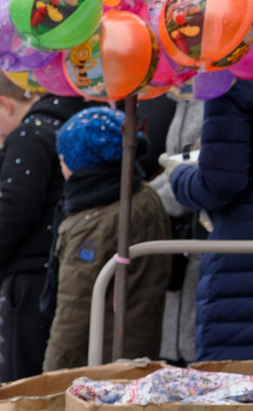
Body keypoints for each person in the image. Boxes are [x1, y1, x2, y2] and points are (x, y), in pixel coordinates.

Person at [44, 106, 173, 369]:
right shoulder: (142, 195)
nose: (60, 162)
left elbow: (75, 308)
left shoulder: (95, 222)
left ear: (83, 164)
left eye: (64, 156)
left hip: (98, 358)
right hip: (138, 344)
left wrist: (52, 370)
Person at [0, 73, 87, 380]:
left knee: (23, 373)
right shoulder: (66, 123)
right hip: (60, 261)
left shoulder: (28, 136)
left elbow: (16, 208)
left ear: (6, 104)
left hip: (29, 271)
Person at [170, 80, 253, 360]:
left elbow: (219, 185)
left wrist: (178, 176)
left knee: (236, 392)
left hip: (242, 266)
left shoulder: (233, 76)